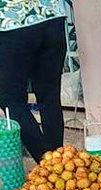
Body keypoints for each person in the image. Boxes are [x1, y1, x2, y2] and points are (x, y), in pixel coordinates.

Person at [0, 1, 67, 162]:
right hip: (52, 15)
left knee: (10, 100)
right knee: (49, 98)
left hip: (13, 22)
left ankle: (48, 165)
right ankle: (62, 166)